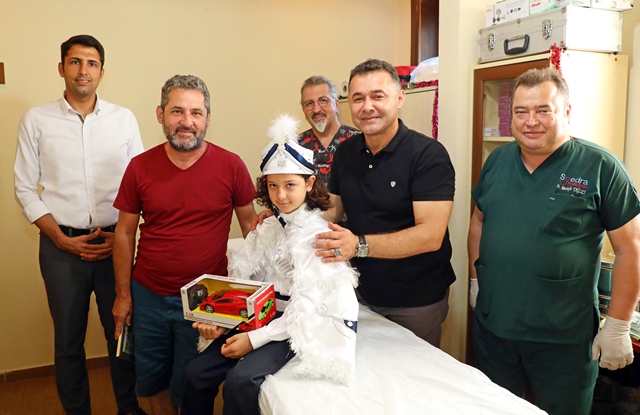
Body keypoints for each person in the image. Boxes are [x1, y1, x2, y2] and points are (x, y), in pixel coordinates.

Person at [467, 67, 640, 415]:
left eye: (543, 110)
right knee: (493, 408)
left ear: (566, 112)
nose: (531, 121)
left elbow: (630, 249)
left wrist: (619, 325)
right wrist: (475, 281)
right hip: (495, 330)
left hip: (563, 339)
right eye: (521, 111)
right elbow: (478, 222)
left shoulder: (600, 167)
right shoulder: (497, 161)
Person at [181, 114, 359, 415]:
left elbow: (307, 308)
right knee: (194, 373)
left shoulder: (319, 236)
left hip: (292, 324)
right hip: (255, 315)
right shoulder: (265, 227)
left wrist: (253, 340)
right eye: (273, 186)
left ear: (309, 183)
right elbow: (242, 285)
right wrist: (222, 323)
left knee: (241, 380)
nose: (281, 195)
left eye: (290, 185)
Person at [13, 35, 145, 415]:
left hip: (113, 245)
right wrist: (60, 239)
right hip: (61, 249)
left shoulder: (123, 119)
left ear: (102, 72)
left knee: (121, 333)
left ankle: (128, 409)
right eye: (74, 62)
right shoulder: (37, 120)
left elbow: (139, 186)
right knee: (68, 342)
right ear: (61, 68)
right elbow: (24, 188)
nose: (83, 70)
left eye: (91, 63)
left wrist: (122, 237)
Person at [111, 74, 257, 415]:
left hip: (206, 299)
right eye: (177, 111)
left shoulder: (231, 165)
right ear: (160, 114)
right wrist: (123, 295)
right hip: (148, 296)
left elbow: (251, 229)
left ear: (207, 118)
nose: (187, 122)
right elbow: (124, 233)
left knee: (192, 383)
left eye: (196, 113)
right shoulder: (139, 167)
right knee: (154, 381)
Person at [312, 58, 456, 348]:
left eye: (377, 96)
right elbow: (333, 209)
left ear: (399, 98)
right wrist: (288, 215)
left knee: (412, 371)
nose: (367, 107)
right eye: (358, 98)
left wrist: (358, 245)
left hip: (415, 301)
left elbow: (430, 236)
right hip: (360, 291)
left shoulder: (427, 155)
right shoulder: (347, 152)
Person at [297, 75, 360, 184]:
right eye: (309, 104)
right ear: (303, 110)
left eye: (323, 100)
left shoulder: (359, 141)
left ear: (336, 104)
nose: (316, 109)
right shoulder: (296, 146)